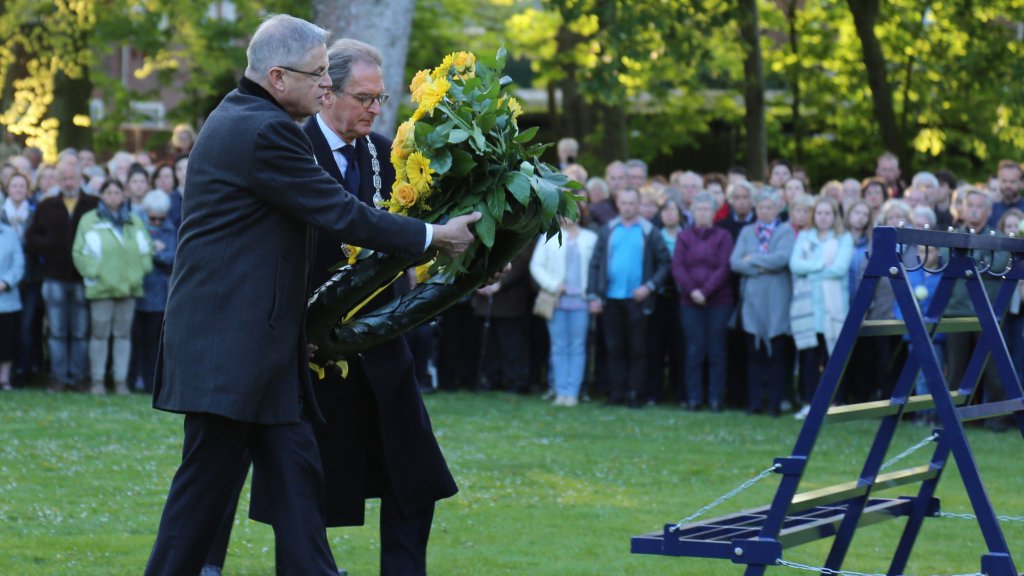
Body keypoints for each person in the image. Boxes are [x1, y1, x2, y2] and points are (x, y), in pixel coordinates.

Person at [145, 15, 477, 576]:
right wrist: (434, 238)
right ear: (278, 77)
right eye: (318, 76)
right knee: (201, 500)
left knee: (297, 488)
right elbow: (340, 213)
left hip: (260, 352)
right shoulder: (264, 131)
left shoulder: (240, 118)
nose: (325, 87)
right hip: (236, 352)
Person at [587, 187, 671, 408]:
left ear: (638, 204)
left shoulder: (649, 231)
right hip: (611, 298)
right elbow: (596, 264)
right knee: (614, 348)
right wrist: (594, 295)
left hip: (638, 300)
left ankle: (635, 393)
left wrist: (650, 286)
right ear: (618, 204)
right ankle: (616, 393)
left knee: (637, 349)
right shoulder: (608, 230)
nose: (628, 207)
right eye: (624, 202)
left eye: (632, 203)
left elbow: (665, 263)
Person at [72, 179, 153, 395]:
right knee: (99, 335)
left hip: (129, 288)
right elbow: (79, 252)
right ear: (102, 196)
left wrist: (138, 273)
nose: (113, 196)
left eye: (117, 192)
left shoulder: (134, 221)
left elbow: (146, 250)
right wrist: (94, 273)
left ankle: (120, 382)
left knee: (123, 336)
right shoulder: (89, 221)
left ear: (123, 195)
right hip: (101, 289)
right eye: (108, 192)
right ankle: (97, 381)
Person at [24, 159, 98, 391]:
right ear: (57, 180)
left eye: (72, 178)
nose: (68, 183)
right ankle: (57, 377)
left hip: (82, 278)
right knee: (56, 331)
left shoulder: (93, 204)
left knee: (80, 330)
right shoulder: (46, 205)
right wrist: (50, 244)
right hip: (54, 277)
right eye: (64, 178)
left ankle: (77, 377)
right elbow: (30, 239)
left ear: (80, 179)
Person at [730, 188, 795, 415]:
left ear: (778, 209)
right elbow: (735, 262)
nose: (764, 211)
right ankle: (755, 402)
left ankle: (775, 403)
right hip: (752, 300)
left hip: (777, 299)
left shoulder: (785, 232)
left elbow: (781, 259)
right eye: (761, 207)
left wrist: (753, 261)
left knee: (776, 353)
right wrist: (760, 268)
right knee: (754, 352)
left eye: (769, 207)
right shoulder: (747, 231)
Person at [788, 197, 853, 420]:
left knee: (833, 355)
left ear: (835, 216)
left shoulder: (843, 239)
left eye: (828, 213)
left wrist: (810, 271)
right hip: (808, 306)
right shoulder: (805, 237)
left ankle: (835, 401)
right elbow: (795, 265)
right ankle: (808, 402)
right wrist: (819, 266)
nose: (823, 217)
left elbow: (839, 269)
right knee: (808, 357)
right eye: (819, 213)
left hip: (832, 306)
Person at [530, 211, 598, 407]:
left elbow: (596, 267)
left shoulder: (591, 238)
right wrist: (553, 285)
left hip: (581, 301)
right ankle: (560, 391)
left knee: (577, 347)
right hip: (556, 300)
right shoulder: (548, 237)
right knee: (559, 346)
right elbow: (536, 266)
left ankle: (573, 393)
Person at [673, 192, 734, 411]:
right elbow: (678, 267)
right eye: (698, 209)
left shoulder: (723, 236)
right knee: (694, 351)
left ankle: (716, 398)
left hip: (719, 302)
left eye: (707, 209)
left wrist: (706, 291)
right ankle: (694, 398)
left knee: (716, 351)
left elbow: (724, 266)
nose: (703, 213)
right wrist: (693, 292)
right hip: (690, 303)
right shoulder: (684, 237)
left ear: (714, 212)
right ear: (693, 212)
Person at [133, 190, 176, 393]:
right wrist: (152, 247)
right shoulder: (136, 226)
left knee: (153, 341)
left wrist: (154, 253)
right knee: (135, 339)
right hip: (136, 289)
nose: (157, 222)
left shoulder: (170, 229)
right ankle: (133, 379)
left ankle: (151, 382)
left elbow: (172, 257)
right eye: (153, 218)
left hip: (159, 295)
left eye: (161, 218)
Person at [2, 171, 42, 384]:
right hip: (4, 277)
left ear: (28, 190)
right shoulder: (2, 214)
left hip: (29, 277)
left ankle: (22, 371)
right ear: (7, 188)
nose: (18, 190)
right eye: (14, 186)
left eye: (22, 186)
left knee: (26, 326)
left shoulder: (35, 213)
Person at [0, 212, 25, 391]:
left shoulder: (10, 233)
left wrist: (5, 282)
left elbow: (19, 263)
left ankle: (4, 378)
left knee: (6, 341)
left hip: (6, 297)